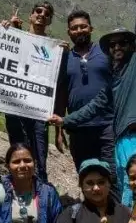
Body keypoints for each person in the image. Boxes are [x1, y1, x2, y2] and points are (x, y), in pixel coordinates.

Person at [51, 0, 136, 207]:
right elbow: (95, 104)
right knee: (118, 185)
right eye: (113, 45)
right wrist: (64, 122)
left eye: (123, 43)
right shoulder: (113, 79)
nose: (117, 47)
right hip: (118, 137)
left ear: (132, 46)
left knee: (131, 188)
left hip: (134, 135)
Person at [51, 10, 119, 202]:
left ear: (91, 28)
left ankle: (114, 221)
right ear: (68, 32)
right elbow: (61, 92)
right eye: (74, 28)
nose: (79, 30)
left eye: (83, 26)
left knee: (110, 175)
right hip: (77, 128)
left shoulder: (106, 53)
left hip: (106, 125)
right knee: (85, 176)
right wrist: (59, 129)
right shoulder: (64, 57)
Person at [1, 2, 57, 183]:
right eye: (38, 11)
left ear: (49, 20)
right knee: (18, 151)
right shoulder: (15, 36)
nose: (42, 15)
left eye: (46, 13)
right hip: (14, 107)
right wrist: (6, 31)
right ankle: (18, 191)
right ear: (31, 15)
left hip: (39, 111)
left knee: (39, 156)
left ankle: (41, 195)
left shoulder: (53, 48)